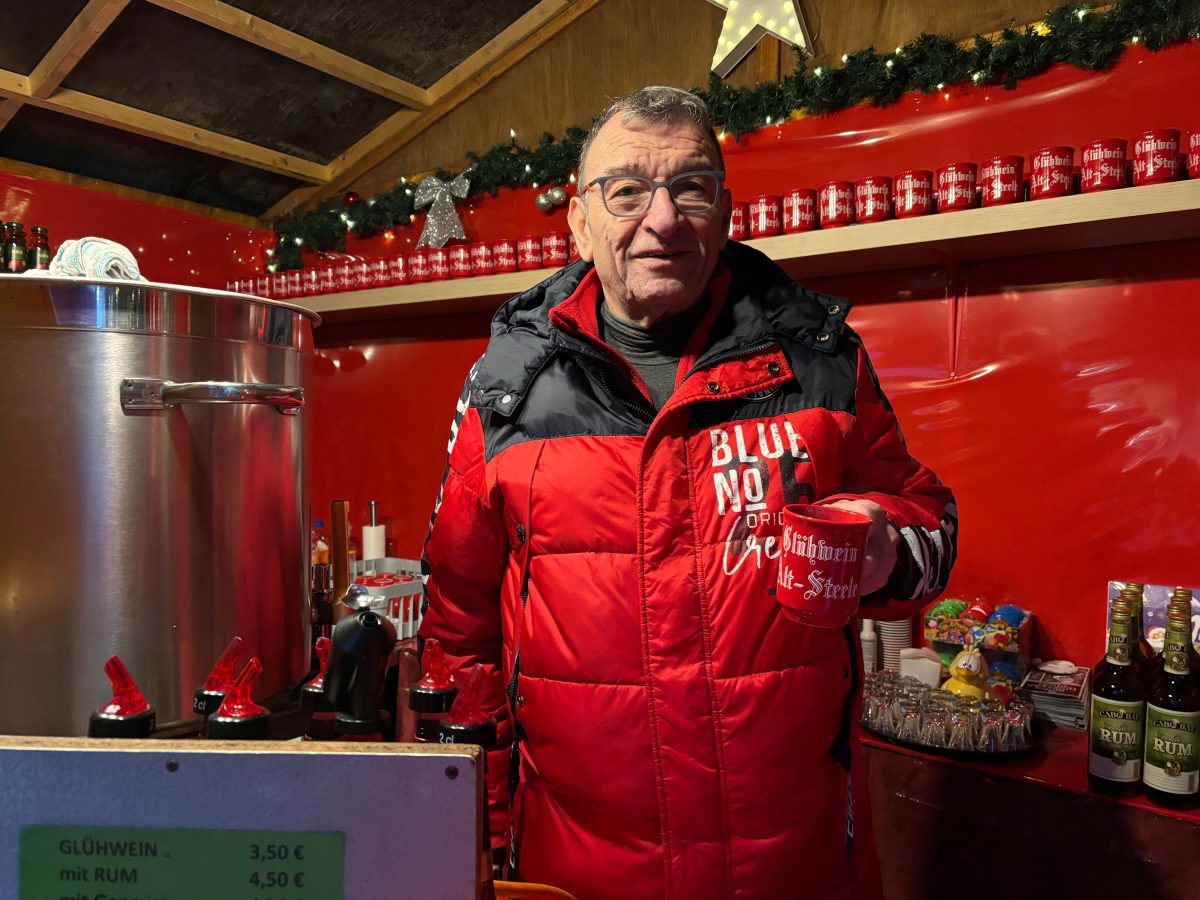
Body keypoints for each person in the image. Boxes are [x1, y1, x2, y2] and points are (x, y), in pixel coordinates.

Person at [420, 86, 957, 900]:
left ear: (726, 211)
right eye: (627, 189)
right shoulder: (506, 392)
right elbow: (458, 631)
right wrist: (477, 830)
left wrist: (886, 547)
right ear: (579, 220)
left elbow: (934, 526)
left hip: (795, 868)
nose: (663, 219)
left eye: (692, 187)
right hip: (578, 874)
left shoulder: (822, 363)